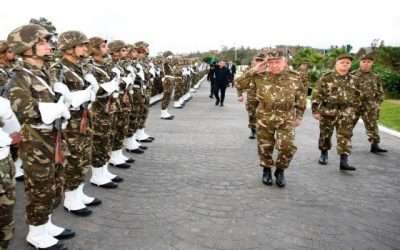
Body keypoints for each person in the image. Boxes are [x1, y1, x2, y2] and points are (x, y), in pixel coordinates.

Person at [8, 24, 73, 249]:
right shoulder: (19, 76)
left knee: (56, 182)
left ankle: (46, 223)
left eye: (48, 41)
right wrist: (55, 108)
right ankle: (35, 233)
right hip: (35, 141)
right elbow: (24, 110)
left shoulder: (44, 71)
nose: (49, 45)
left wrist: (63, 100)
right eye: (42, 42)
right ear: (26, 47)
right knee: (40, 187)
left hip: (53, 137)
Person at [236, 49, 306, 187]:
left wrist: (299, 116)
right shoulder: (259, 76)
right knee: (265, 146)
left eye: (277, 62)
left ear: (285, 62)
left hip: (286, 117)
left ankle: (280, 170)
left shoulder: (295, 77)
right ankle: (266, 169)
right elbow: (238, 84)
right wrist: (254, 70)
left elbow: (301, 97)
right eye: (271, 62)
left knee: (287, 147)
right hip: (264, 116)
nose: (274, 65)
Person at [50, 31, 102, 216]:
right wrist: (79, 96)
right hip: (70, 123)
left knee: (83, 158)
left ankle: (79, 193)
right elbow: (57, 98)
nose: (85, 48)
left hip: (84, 118)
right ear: (69, 48)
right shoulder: (58, 68)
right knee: (72, 160)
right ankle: (71, 199)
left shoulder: (80, 67)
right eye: (81, 45)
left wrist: (90, 92)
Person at [312, 54, 361, 171]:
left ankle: (344, 161)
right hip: (328, 111)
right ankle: (324, 153)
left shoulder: (354, 80)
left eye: (347, 63)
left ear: (350, 65)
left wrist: (354, 111)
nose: (345, 64)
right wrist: (315, 111)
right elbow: (317, 95)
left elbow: (358, 97)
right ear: (336, 64)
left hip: (346, 112)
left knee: (345, 135)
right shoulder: (326, 78)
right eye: (342, 62)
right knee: (325, 135)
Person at [87, 37, 122, 189]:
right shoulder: (89, 67)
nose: (106, 49)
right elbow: (96, 90)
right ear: (94, 49)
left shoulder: (105, 65)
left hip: (108, 109)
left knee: (107, 140)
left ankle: (103, 171)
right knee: (98, 142)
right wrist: (110, 85)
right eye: (102, 46)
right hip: (97, 111)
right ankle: (96, 175)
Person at [352, 53, 387, 153]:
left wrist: (377, 104)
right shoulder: (353, 75)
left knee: (372, 125)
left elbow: (380, 91)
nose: (366, 64)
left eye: (369, 62)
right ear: (360, 63)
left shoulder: (375, 77)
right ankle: (345, 143)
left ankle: (374, 145)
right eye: (364, 62)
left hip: (370, 106)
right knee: (348, 125)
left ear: (372, 63)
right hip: (355, 106)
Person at [237, 53, 266, 139]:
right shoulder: (249, 70)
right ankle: (253, 130)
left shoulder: (269, 71)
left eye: (261, 60)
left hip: (265, 97)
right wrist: (240, 95)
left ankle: (263, 131)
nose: (259, 62)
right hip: (252, 96)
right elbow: (240, 82)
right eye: (257, 60)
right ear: (253, 61)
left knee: (264, 115)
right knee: (252, 114)